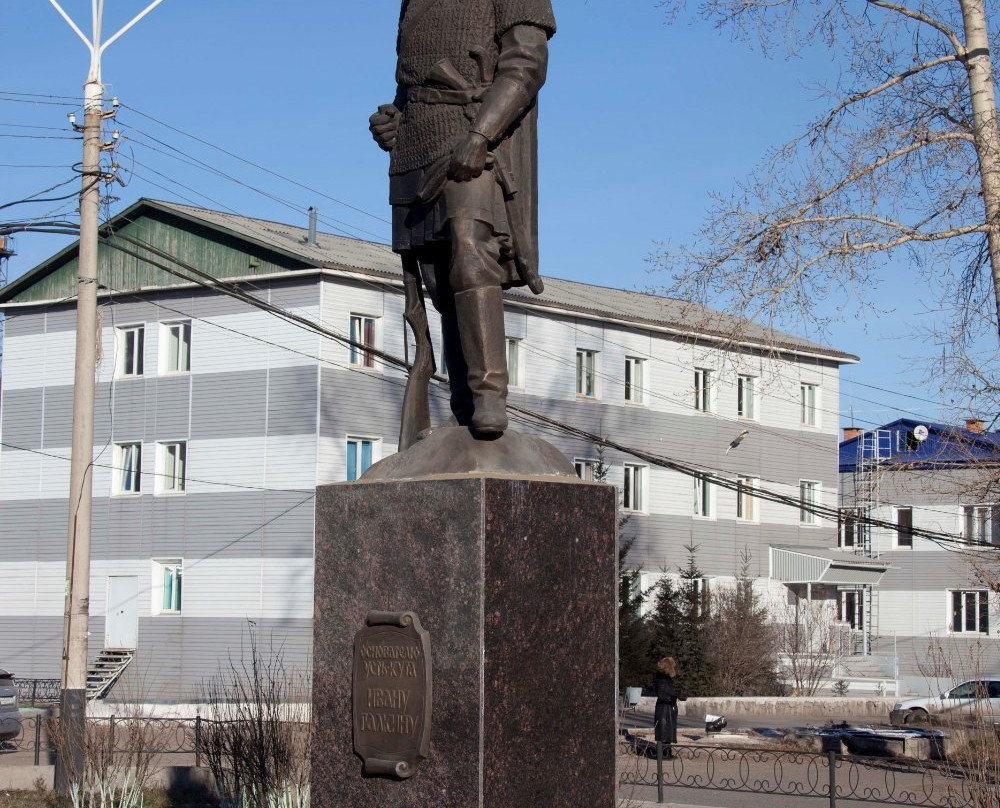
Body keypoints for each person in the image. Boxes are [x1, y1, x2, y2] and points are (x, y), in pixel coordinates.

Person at [369, 0, 556, 438]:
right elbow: (411, 80)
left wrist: (481, 134)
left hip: (475, 136)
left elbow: (526, 64)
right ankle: (463, 406)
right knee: (438, 281)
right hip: (418, 147)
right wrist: (394, 120)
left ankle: (489, 396)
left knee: (472, 253)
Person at [653, 657, 686, 755]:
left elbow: (667, 692)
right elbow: (662, 695)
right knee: (664, 732)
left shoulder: (665, 680)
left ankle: (666, 751)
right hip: (664, 709)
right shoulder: (661, 680)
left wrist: (677, 695)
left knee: (668, 732)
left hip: (668, 708)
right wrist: (675, 695)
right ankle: (664, 752)